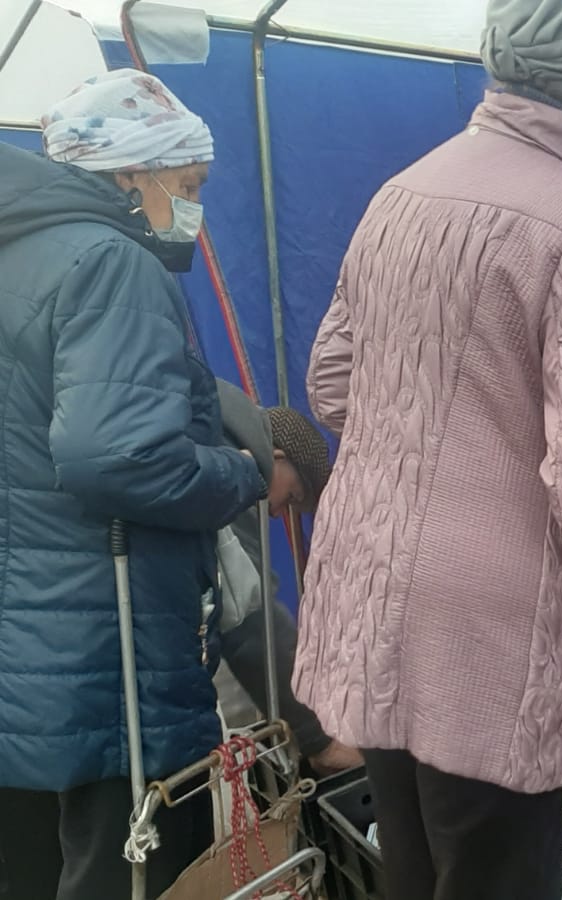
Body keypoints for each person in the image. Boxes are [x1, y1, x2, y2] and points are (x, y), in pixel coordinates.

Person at [291, 0, 562, 897]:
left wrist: (436, 441)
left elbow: (333, 386)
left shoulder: (403, 191)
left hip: (371, 587)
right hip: (490, 638)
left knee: (414, 867)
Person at [0, 70, 265, 900]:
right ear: (128, 174)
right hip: (106, 653)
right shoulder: (113, 263)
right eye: (188, 184)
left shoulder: (17, 255)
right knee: (132, 871)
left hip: (27, 656)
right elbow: (115, 456)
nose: (193, 206)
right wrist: (241, 472)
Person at [210, 379, 363, 776]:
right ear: (276, 457)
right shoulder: (232, 467)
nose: (278, 513)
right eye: (291, 496)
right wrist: (318, 739)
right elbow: (252, 619)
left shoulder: (211, 416)